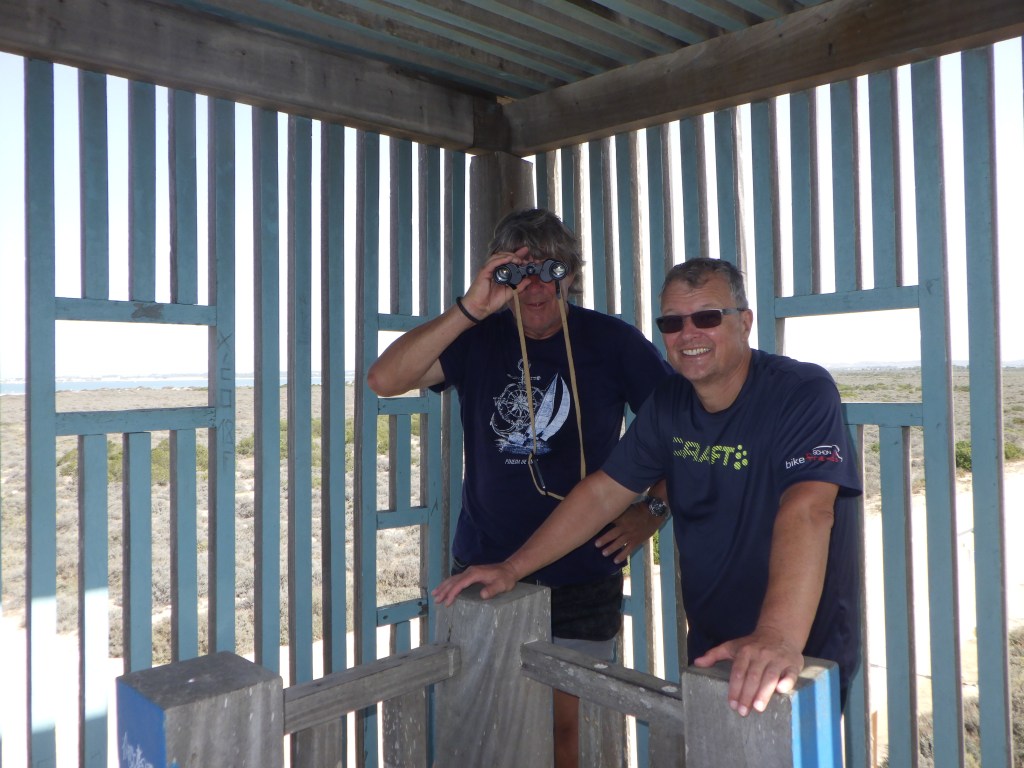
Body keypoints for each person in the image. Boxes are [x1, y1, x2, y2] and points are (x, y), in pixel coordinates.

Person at [434, 256, 863, 718]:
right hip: (714, 642)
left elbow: (809, 510)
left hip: (796, 646)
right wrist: (511, 568)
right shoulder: (670, 405)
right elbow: (603, 493)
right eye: (672, 322)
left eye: (707, 318)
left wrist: (777, 635)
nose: (688, 334)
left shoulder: (800, 391)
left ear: (745, 322)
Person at [366, 208, 674, 767]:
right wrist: (469, 308)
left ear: (571, 275)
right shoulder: (479, 338)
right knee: (487, 716)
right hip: (486, 562)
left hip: (582, 572)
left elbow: (682, 430)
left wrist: (652, 509)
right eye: (518, 272)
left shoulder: (612, 342)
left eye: (550, 270)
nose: (535, 287)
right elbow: (384, 380)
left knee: (567, 730)